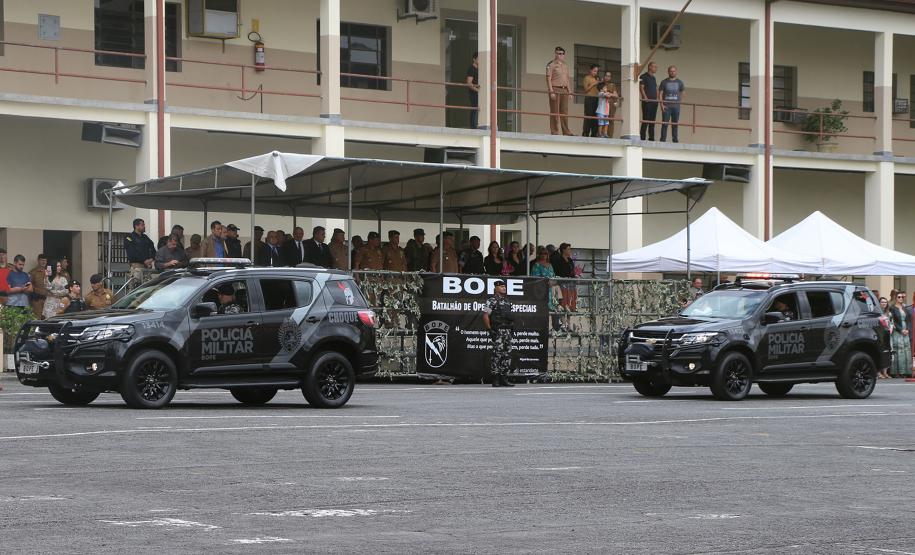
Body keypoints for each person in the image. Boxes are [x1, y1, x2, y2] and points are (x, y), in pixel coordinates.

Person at [483, 279, 515, 387]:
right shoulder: (492, 300)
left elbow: (510, 317)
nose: (504, 288)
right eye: (501, 286)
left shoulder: (507, 301)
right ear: (496, 288)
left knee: (507, 355)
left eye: (504, 286)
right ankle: (495, 378)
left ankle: (504, 378)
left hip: (507, 332)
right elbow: (485, 315)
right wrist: (489, 330)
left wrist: (512, 328)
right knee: (497, 355)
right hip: (498, 331)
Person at [546, 46, 574, 136]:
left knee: (564, 112)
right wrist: (551, 91)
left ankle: (566, 131)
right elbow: (548, 79)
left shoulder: (565, 65)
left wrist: (569, 92)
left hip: (564, 89)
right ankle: (554, 131)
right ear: (555, 54)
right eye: (558, 53)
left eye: (562, 54)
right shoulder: (551, 65)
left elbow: (567, 79)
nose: (560, 55)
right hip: (555, 88)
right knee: (554, 111)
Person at [124, 218, 156, 287]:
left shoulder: (145, 237)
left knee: (147, 288)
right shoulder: (129, 238)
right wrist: (144, 260)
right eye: (142, 225)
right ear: (136, 226)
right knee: (136, 288)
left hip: (147, 267)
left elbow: (152, 249)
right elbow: (132, 253)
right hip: (137, 267)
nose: (144, 226)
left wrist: (151, 259)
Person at [659, 65, 686, 143]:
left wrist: (679, 101)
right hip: (666, 106)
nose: (672, 72)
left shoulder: (680, 82)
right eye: (671, 71)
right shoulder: (664, 82)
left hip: (676, 107)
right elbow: (660, 94)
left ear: (676, 72)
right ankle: (662, 140)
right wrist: (661, 105)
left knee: (675, 124)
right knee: (664, 124)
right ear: (668, 72)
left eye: (674, 71)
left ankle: (675, 140)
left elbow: (683, 92)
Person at [889, 290, 912, 378]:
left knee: (906, 350)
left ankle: (906, 371)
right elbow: (893, 321)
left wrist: (907, 330)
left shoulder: (905, 308)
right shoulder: (892, 308)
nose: (901, 298)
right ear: (895, 298)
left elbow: (908, 320)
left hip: (905, 331)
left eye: (902, 297)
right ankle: (897, 372)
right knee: (898, 351)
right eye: (899, 297)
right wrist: (901, 330)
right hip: (897, 332)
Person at [552, 243, 577, 312]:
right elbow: (557, 271)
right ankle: (562, 319)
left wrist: (574, 276)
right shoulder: (558, 260)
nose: (570, 251)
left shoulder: (570, 260)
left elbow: (572, 270)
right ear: (563, 250)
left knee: (570, 301)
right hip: (562, 283)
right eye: (568, 249)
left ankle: (568, 320)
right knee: (563, 301)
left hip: (570, 283)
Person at [639, 61, 659, 141]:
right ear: (650, 67)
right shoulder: (643, 76)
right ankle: (642, 138)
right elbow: (641, 88)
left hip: (654, 102)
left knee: (652, 121)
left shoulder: (654, 78)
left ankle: (651, 138)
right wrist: (645, 97)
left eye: (656, 67)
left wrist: (657, 99)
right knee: (646, 120)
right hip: (647, 102)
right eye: (654, 67)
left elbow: (656, 89)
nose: (656, 68)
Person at [29, 254, 51, 319]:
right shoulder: (33, 272)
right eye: (42, 260)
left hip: (48, 300)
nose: (43, 262)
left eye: (45, 260)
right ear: (38, 261)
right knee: (37, 318)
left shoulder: (49, 272)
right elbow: (29, 284)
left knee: (47, 318)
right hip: (37, 300)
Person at [581, 63, 601, 137]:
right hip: (589, 98)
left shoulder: (597, 78)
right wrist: (594, 84)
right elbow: (585, 90)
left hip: (596, 99)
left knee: (595, 117)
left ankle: (594, 133)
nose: (595, 73)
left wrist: (599, 84)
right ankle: (586, 133)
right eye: (594, 71)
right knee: (588, 116)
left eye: (597, 71)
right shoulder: (587, 78)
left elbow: (599, 89)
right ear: (590, 70)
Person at [603, 71, 621, 138]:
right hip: (603, 104)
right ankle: (602, 134)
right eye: (606, 76)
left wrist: (610, 94)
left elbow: (616, 95)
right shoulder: (601, 84)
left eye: (609, 76)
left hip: (611, 104)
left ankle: (610, 136)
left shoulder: (612, 85)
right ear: (604, 76)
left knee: (610, 120)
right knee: (602, 119)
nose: (607, 77)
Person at [466, 51, 480, 129]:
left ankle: (476, 125)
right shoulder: (471, 69)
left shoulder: (478, 69)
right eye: (478, 59)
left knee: (477, 109)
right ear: (474, 59)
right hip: (473, 93)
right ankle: (473, 126)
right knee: (474, 108)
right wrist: (477, 90)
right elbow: (469, 83)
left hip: (477, 92)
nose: (480, 60)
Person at [879, 296, 891, 379]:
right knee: (880, 352)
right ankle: (878, 372)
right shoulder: (877, 312)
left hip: (888, 333)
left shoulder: (888, 313)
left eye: (885, 302)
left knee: (887, 352)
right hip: (880, 334)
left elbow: (892, 322)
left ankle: (885, 372)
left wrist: (891, 328)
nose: (884, 303)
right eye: (882, 302)